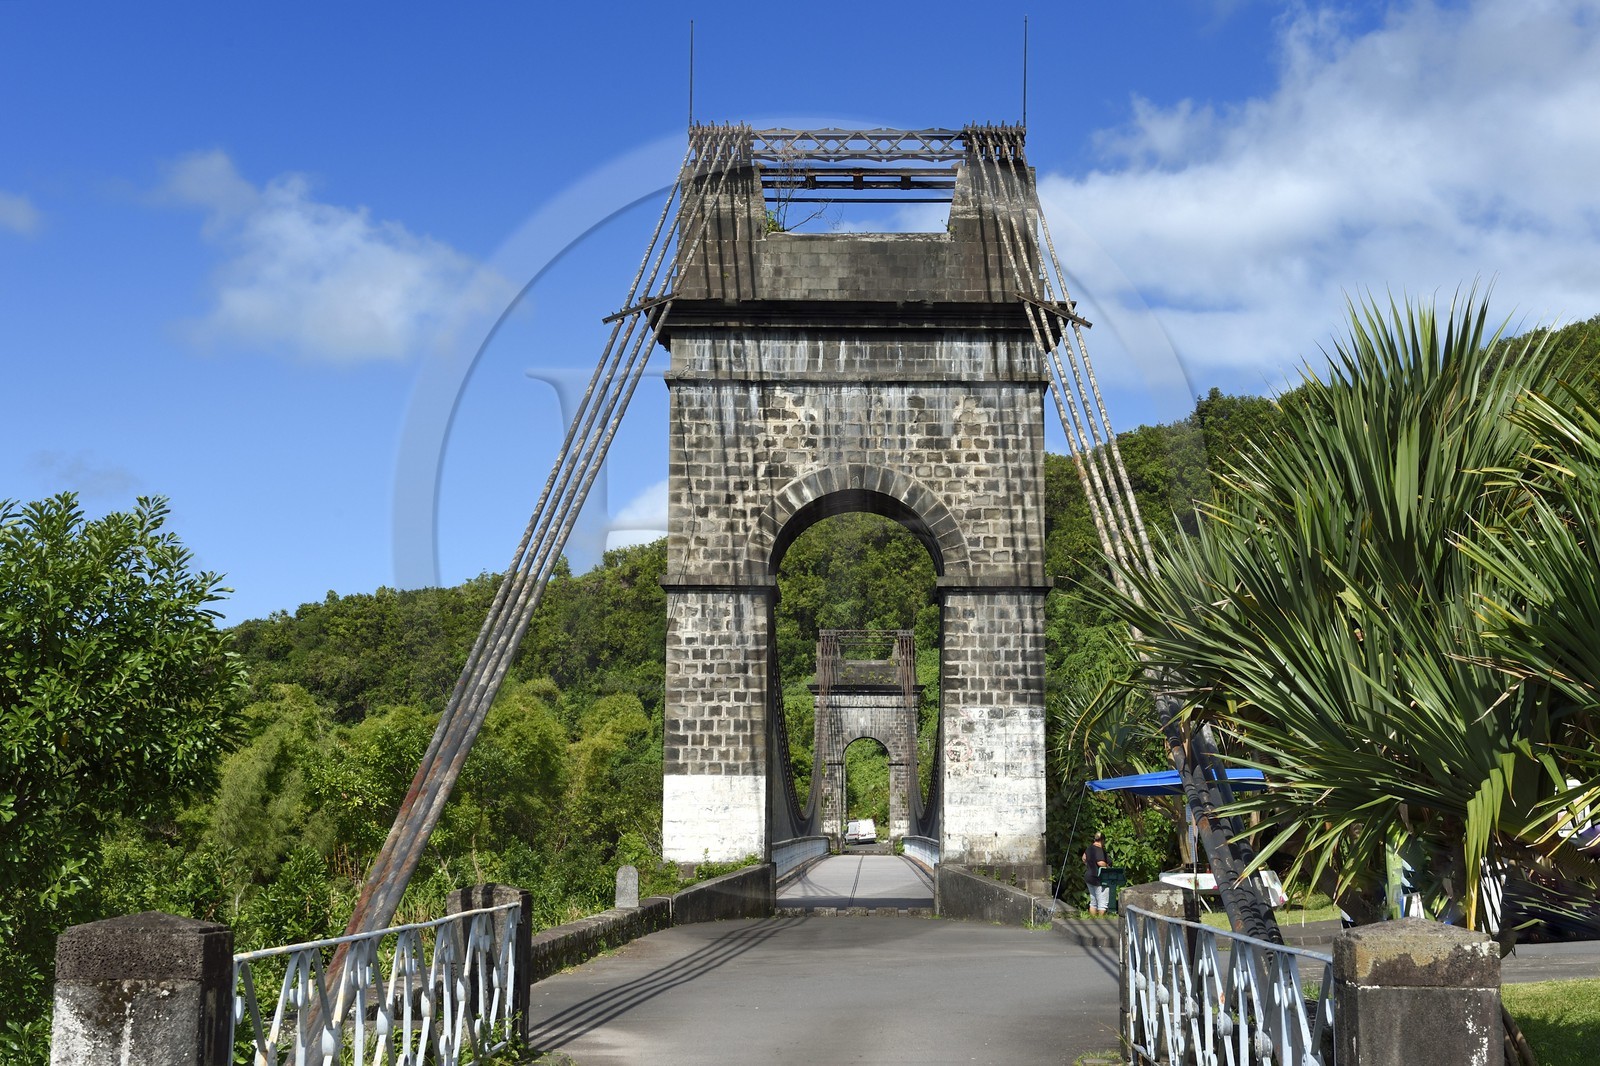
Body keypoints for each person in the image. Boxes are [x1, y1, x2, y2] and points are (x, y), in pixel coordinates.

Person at [1083, 831, 1110, 916]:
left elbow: (1083, 858)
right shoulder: (1099, 850)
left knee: (1093, 901)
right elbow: (1100, 863)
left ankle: (1093, 920)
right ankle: (1101, 921)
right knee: (1102, 903)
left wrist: (1089, 865)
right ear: (1102, 840)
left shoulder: (1089, 848)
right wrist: (1108, 867)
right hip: (1098, 879)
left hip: (1089, 877)